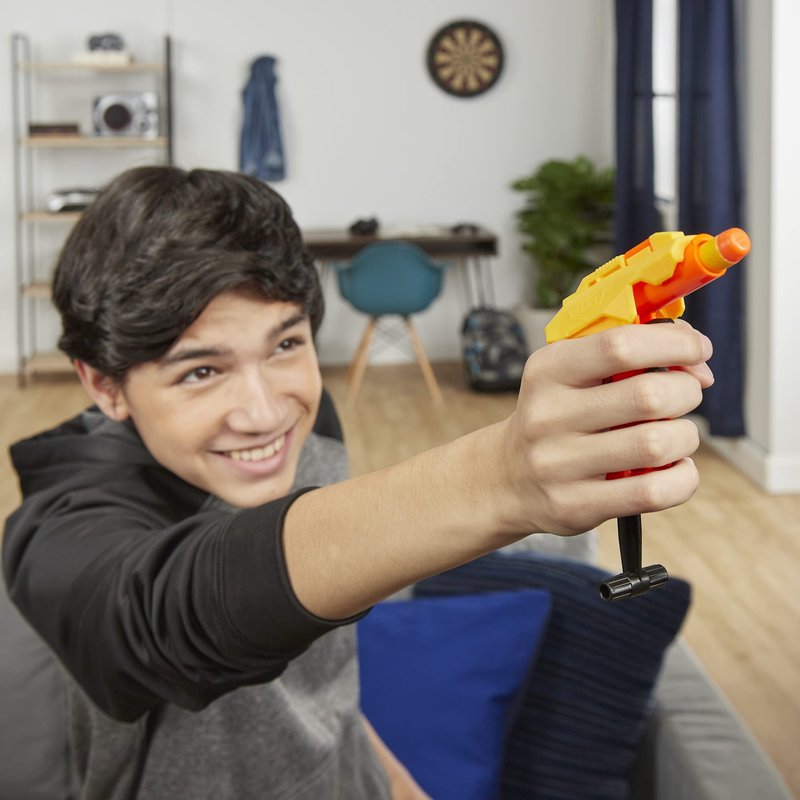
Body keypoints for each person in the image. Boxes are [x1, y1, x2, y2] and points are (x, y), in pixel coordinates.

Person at [2, 166, 714, 800]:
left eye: (285, 343)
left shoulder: (306, 426)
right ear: (104, 385)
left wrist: (396, 784)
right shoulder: (59, 529)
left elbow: (320, 678)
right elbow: (166, 618)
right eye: (201, 370)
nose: (265, 412)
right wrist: (500, 479)